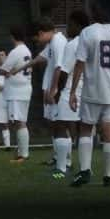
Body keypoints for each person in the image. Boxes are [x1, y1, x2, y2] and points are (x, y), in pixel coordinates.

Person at [68, 2, 110, 187]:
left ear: (93, 13)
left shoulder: (88, 32)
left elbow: (80, 62)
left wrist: (73, 92)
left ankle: (85, 171)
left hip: (92, 89)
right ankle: (108, 176)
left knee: (85, 128)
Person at [52, 10, 91, 180]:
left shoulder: (73, 44)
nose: (68, 28)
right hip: (86, 90)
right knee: (81, 130)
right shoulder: (89, 41)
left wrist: (58, 92)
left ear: (77, 25)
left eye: (70, 24)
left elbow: (65, 72)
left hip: (70, 91)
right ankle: (84, 167)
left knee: (60, 126)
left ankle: (61, 168)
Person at [32, 18, 68, 171]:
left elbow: (59, 67)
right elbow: (41, 57)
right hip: (49, 88)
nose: (38, 42)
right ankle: (58, 157)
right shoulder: (52, 42)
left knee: (59, 124)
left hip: (55, 90)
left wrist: (53, 90)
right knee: (52, 124)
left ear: (41, 33)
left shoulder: (58, 41)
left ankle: (65, 162)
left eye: (37, 38)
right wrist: (19, 68)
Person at [0, 26, 33, 163]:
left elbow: (2, 70)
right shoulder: (27, 50)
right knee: (20, 121)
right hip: (24, 87)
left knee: (19, 122)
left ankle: (23, 155)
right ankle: (21, 151)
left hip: (16, 90)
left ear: (12, 37)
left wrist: (4, 63)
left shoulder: (15, 51)